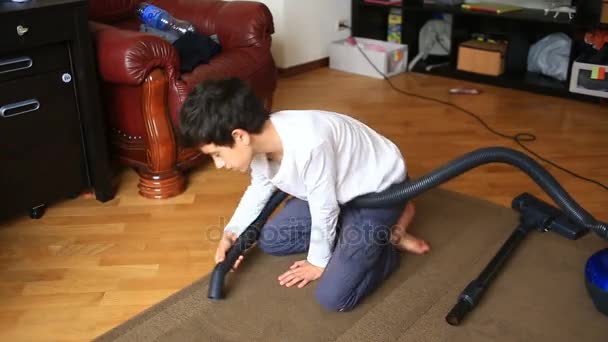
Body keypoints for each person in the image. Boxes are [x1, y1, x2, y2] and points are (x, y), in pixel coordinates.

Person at [179, 78, 430, 312]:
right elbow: (259, 189)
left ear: (239, 136)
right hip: (335, 192)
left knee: (334, 297)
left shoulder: (310, 144)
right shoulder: (258, 143)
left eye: (217, 154)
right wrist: (232, 233)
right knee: (272, 241)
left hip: (378, 190)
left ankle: (388, 236)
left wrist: (318, 262)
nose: (219, 165)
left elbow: (325, 210)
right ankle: (363, 234)